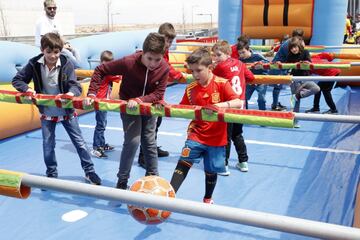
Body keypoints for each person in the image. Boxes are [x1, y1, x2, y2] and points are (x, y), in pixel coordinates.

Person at [12, 32, 101, 185]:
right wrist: (27, 89)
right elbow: (17, 80)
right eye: (49, 52)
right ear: (42, 50)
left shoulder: (66, 63)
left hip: (66, 111)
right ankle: (51, 173)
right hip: (47, 112)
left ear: (60, 51)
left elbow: (75, 85)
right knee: (48, 145)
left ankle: (89, 171)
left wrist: (69, 93)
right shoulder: (34, 64)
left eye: (56, 52)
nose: (53, 56)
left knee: (79, 142)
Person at [85, 32, 169, 190]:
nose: (153, 63)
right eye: (149, 58)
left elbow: (158, 93)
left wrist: (140, 100)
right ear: (143, 52)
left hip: (148, 106)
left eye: (157, 59)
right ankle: (122, 181)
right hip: (128, 106)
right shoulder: (128, 62)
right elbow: (100, 70)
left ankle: (153, 178)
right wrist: (91, 93)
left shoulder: (164, 67)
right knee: (133, 141)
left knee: (149, 141)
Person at [169, 47, 242, 204]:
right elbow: (182, 108)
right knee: (184, 161)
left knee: (210, 171)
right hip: (196, 134)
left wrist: (220, 105)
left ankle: (207, 198)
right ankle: (169, 196)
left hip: (217, 137)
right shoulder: (190, 89)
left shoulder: (222, 84)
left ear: (210, 68)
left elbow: (238, 102)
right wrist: (164, 106)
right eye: (192, 71)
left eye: (198, 70)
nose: (195, 75)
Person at [137, 23, 182, 168]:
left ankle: (152, 149)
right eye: (167, 41)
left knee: (157, 122)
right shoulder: (155, 52)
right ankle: (143, 156)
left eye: (170, 41)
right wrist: (178, 75)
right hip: (147, 94)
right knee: (148, 127)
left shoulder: (164, 51)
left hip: (157, 95)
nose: (168, 44)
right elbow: (166, 66)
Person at [212, 40, 254, 176]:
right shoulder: (240, 64)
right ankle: (243, 162)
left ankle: (224, 165)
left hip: (229, 106)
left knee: (226, 135)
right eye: (215, 55)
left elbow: (210, 79)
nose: (216, 58)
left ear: (227, 53)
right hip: (241, 105)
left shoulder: (220, 67)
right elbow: (251, 77)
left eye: (218, 55)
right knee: (237, 134)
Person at [88, 50, 121, 158]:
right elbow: (118, 77)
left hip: (103, 101)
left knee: (102, 124)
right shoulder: (106, 73)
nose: (107, 66)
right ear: (101, 62)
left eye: (109, 63)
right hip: (100, 102)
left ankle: (101, 144)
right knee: (100, 125)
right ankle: (96, 147)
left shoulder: (105, 72)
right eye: (105, 63)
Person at [286, 37, 320, 127]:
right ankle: (295, 122)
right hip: (295, 80)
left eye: (295, 47)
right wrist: (288, 76)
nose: (294, 49)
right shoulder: (289, 56)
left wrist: (305, 62)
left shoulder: (305, 52)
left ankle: (298, 95)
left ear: (299, 46)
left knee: (316, 88)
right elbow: (287, 67)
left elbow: (309, 62)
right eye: (291, 48)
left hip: (306, 78)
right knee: (296, 104)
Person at [270, 29, 305, 111]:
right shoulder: (289, 44)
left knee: (278, 86)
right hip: (278, 67)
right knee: (277, 86)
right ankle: (274, 105)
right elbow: (292, 57)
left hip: (282, 66)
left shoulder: (291, 42)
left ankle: (275, 104)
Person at [237, 41, 268, 110]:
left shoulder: (257, 56)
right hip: (249, 82)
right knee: (243, 98)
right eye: (239, 53)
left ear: (248, 50)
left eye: (243, 52)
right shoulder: (240, 60)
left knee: (261, 98)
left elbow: (268, 63)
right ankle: (245, 113)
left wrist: (261, 63)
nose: (242, 55)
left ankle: (263, 114)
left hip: (261, 81)